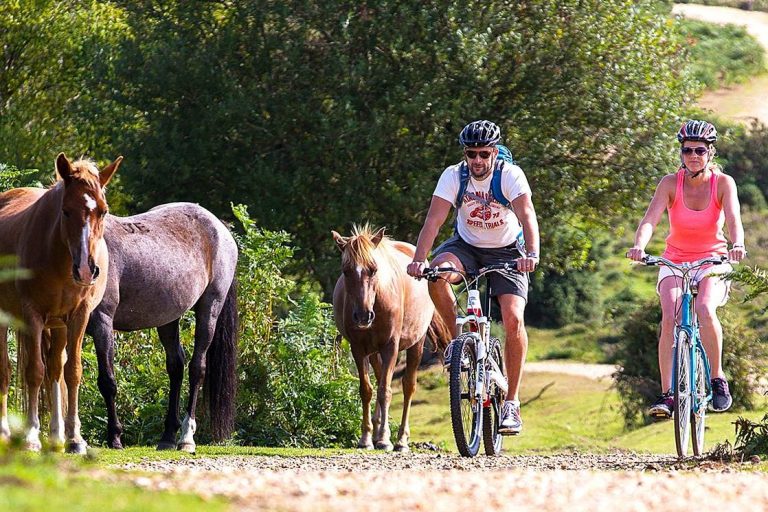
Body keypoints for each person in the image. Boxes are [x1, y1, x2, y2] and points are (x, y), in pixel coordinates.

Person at [406, 120, 540, 435]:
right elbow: (434, 221)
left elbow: (527, 215)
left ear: (494, 153)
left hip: (508, 251)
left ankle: (512, 404)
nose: (477, 161)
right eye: (471, 154)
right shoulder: (454, 176)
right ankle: (456, 340)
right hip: (465, 247)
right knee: (437, 276)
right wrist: (419, 260)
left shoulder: (510, 176)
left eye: (483, 154)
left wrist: (531, 254)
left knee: (513, 319)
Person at [626, 119, 746, 419]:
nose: (694, 156)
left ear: (710, 153)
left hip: (713, 259)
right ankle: (668, 395)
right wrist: (640, 245)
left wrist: (738, 244)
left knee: (705, 308)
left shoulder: (723, 183)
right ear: (681, 152)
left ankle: (718, 380)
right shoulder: (669, 183)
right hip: (674, 259)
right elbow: (650, 220)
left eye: (700, 150)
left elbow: (733, 219)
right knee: (670, 314)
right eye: (688, 150)